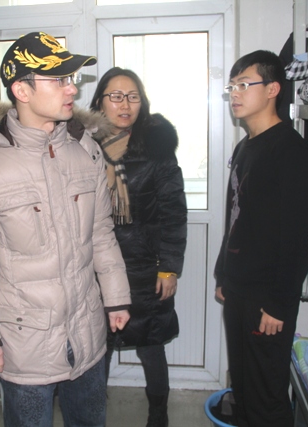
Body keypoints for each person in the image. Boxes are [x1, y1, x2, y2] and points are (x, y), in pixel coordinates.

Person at [0, 32, 132, 427]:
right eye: (59, 79)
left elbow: (101, 233)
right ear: (22, 90)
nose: (73, 89)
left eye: (71, 78)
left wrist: (116, 297)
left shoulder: (85, 150)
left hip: (86, 332)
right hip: (25, 343)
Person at [214, 50, 308, 427]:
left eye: (244, 84)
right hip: (238, 288)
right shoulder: (245, 146)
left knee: (266, 396)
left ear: (273, 89)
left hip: (267, 296)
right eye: (232, 86)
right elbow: (237, 217)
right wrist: (223, 273)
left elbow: (301, 235)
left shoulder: (289, 150)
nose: (235, 93)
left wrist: (279, 303)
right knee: (243, 386)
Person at [89, 67, 187, 427]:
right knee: (95, 349)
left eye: (133, 97)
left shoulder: (157, 149)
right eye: (115, 96)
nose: (125, 104)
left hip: (144, 268)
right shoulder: (82, 147)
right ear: (100, 102)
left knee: (151, 344)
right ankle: (93, 414)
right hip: (94, 268)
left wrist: (169, 267)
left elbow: (174, 214)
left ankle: (158, 415)